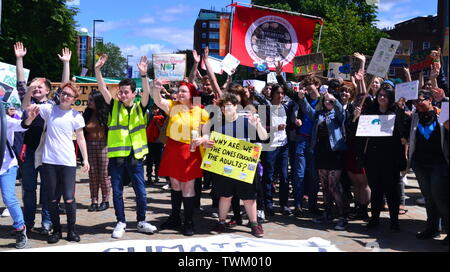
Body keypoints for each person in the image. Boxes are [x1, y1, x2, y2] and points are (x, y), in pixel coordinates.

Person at [95, 54, 157, 239]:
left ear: (133, 93)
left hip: (136, 157)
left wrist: (144, 75)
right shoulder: (113, 106)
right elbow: (102, 88)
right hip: (116, 158)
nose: (121, 94)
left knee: (141, 191)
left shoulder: (140, 107)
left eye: (125, 92)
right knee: (117, 191)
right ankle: (120, 221)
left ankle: (141, 221)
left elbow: (147, 93)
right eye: (119, 91)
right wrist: (98, 70)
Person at [22, 79, 90, 244]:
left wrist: (86, 159)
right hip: (49, 161)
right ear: (60, 94)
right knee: (52, 199)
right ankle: (57, 231)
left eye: (70, 95)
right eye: (64, 93)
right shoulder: (49, 109)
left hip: (67, 162)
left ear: (75, 99)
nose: (65, 96)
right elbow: (26, 107)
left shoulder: (76, 116)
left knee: (68, 198)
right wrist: (30, 91)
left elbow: (81, 139)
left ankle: (72, 230)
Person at [15, 42, 71, 235]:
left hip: (48, 153)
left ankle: (46, 222)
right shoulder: (27, 101)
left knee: (48, 191)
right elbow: (21, 83)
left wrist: (66, 63)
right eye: (35, 87)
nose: (36, 89)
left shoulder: (53, 104)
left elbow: (65, 86)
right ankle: (28, 223)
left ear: (48, 90)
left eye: (41, 87)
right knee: (28, 190)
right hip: (28, 151)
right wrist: (20, 59)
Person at [203, 93, 269, 237]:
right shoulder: (217, 123)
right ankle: (221, 222)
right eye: (223, 106)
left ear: (236, 107)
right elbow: (206, 136)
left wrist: (257, 124)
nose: (225, 108)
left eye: (228, 105)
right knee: (225, 196)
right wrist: (205, 141)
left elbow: (264, 137)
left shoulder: (247, 121)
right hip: (224, 166)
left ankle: (254, 224)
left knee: (249, 197)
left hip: (244, 166)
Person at [152, 78, 209, 236]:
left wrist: (203, 139)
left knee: (188, 188)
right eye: (179, 91)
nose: (179, 93)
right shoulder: (173, 106)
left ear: (191, 94)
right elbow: (157, 100)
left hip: (189, 151)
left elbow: (206, 133)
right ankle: (175, 217)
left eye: (183, 91)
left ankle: (188, 221)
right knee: (175, 185)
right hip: (172, 149)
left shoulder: (201, 111)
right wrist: (155, 88)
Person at [353, 84, 410, 231]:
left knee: (391, 191)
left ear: (390, 98)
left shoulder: (396, 112)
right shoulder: (370, 113)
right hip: (373, 158)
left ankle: (394, 221)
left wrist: (401, 111)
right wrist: (357, 118)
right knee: (376, 190)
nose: (382, 98)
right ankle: (375, 219)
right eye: (380, 95)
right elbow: (360, 134)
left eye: (385, 95)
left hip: (390, 158)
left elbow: (403, 132)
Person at [298, 90, 348, 230]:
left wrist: (334, 100)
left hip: (335, 152)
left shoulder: (338, 114)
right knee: (325, 187)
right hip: (321, 152)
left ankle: (343, 216)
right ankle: (327, 213)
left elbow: (342, 113)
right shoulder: (319, 114)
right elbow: (308, 110)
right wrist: (302, 99)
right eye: (325, 100)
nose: (328, 103)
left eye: (330, 101)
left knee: (334, 186)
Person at [406, 90, 448, 245]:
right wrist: (399, 108)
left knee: (441, 199)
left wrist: (443, 99)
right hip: (420, 164)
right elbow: (403, 131)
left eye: (420, 101)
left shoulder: (440, 115)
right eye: (415, 102)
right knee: (429, 198)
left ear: (430, 100)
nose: (417, 104)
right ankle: (432, 228)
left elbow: (448, 114)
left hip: (439, 164)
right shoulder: (415, 117)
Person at [0, 100, 40, 249]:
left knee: (9, 198)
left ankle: (20, 228)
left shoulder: (5, 120)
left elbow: (21, 126)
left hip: (6, 166)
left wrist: (29, 118)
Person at [83, 90, 111, 212]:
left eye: (91, 100)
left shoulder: (105, 113)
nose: (88, 102)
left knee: (104, 174)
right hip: (89, 145)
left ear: (98, 101)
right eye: (88, 100)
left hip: (104, 145)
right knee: (93, 174)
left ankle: (105, 200)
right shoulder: (87, 114)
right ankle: (94, 200)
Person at [145, 104, 166, 184]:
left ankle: (156, 175)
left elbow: (162, 129)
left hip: (158, 141)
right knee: (150, 160)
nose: (155, 110)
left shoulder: (161, 118)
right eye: (153, 109)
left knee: (157, 160)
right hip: (151, 141)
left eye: (156, 109)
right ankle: (149, 176)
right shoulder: (150, 116)